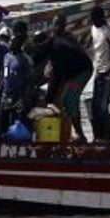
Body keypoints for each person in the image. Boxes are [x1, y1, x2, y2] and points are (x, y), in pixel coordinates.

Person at [29, 15, 93, 143]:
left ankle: (81, 136)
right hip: (72, 71)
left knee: (69, 100)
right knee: (62, 101)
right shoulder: (56, 40)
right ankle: (68, 134)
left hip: (82, 72)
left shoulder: (56, 48)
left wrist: (49, 99)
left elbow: (58, 76)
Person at [89, 5, 110, 142]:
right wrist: (97, 71)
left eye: (96, 19)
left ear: (102, 17)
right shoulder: (93, 28)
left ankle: (108, 137)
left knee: (102, 107)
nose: (94, 22)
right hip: (98, 72)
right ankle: (99, 136)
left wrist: (107, 71)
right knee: (95, 106)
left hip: (109, 75)